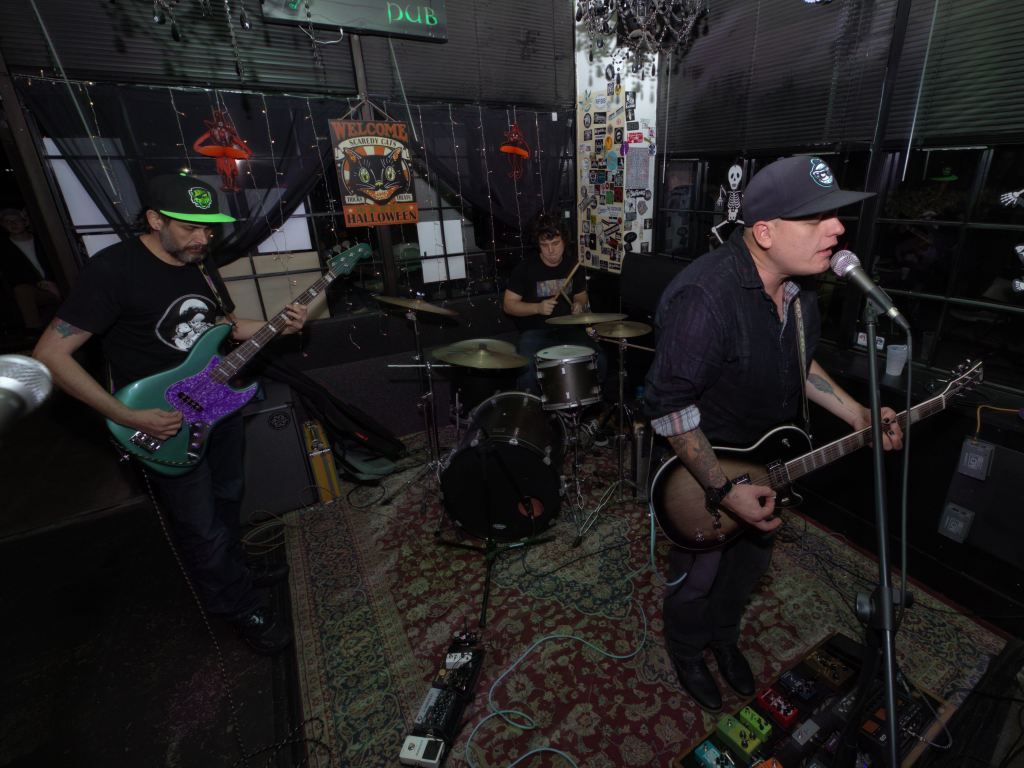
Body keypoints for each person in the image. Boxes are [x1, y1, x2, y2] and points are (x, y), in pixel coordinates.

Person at [644, 155, 904, 712]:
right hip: (706, 479)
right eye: (817, 219)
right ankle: (687, 650)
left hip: (770, 468)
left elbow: (800, 364)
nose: (837, 229)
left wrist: (857, 412)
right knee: (697, 578)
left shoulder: (800, 292)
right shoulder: (706, 297)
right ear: (764, 233)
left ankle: (724, 639)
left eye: (836, 215)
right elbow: (668, 406)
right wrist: (721, 489)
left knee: (745, 572)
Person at [33, 173, 307, 655]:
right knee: (200, 524)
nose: (203, 238)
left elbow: (221, 327)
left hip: (216, 405)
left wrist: (274, 325)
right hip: (159, 422)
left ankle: (234, 573)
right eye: (190, 228)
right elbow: (50, 356)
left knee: (228, 498)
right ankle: (236, 606)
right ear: (155, 220)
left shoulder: (197, 261)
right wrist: (127, 416)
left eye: (209, 228)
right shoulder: (113, 270)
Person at [502, 213, 607, 396]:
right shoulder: (525, 268)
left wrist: (578, 304)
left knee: (600, 359)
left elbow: (581, 296)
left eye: (555, 243)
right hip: (536, 332)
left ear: (564, 241)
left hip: (570, 330)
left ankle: (589, 405)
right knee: (526, 369)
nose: (551, 250)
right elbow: (508, 305)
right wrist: (537, 308)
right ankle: (531, 407)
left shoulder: (573, 265)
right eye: (544, 245)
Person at [0, 207, 61, 332]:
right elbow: (11, 276)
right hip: (35, 290)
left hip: (58, 285)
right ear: (3, 225)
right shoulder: (4, 248)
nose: (13, 224)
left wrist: (54, 283)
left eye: (16, 220)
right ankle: (34, 331)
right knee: (22, 290)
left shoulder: (43, 240)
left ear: (25, 221)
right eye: (7, 221)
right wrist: (40, 284)